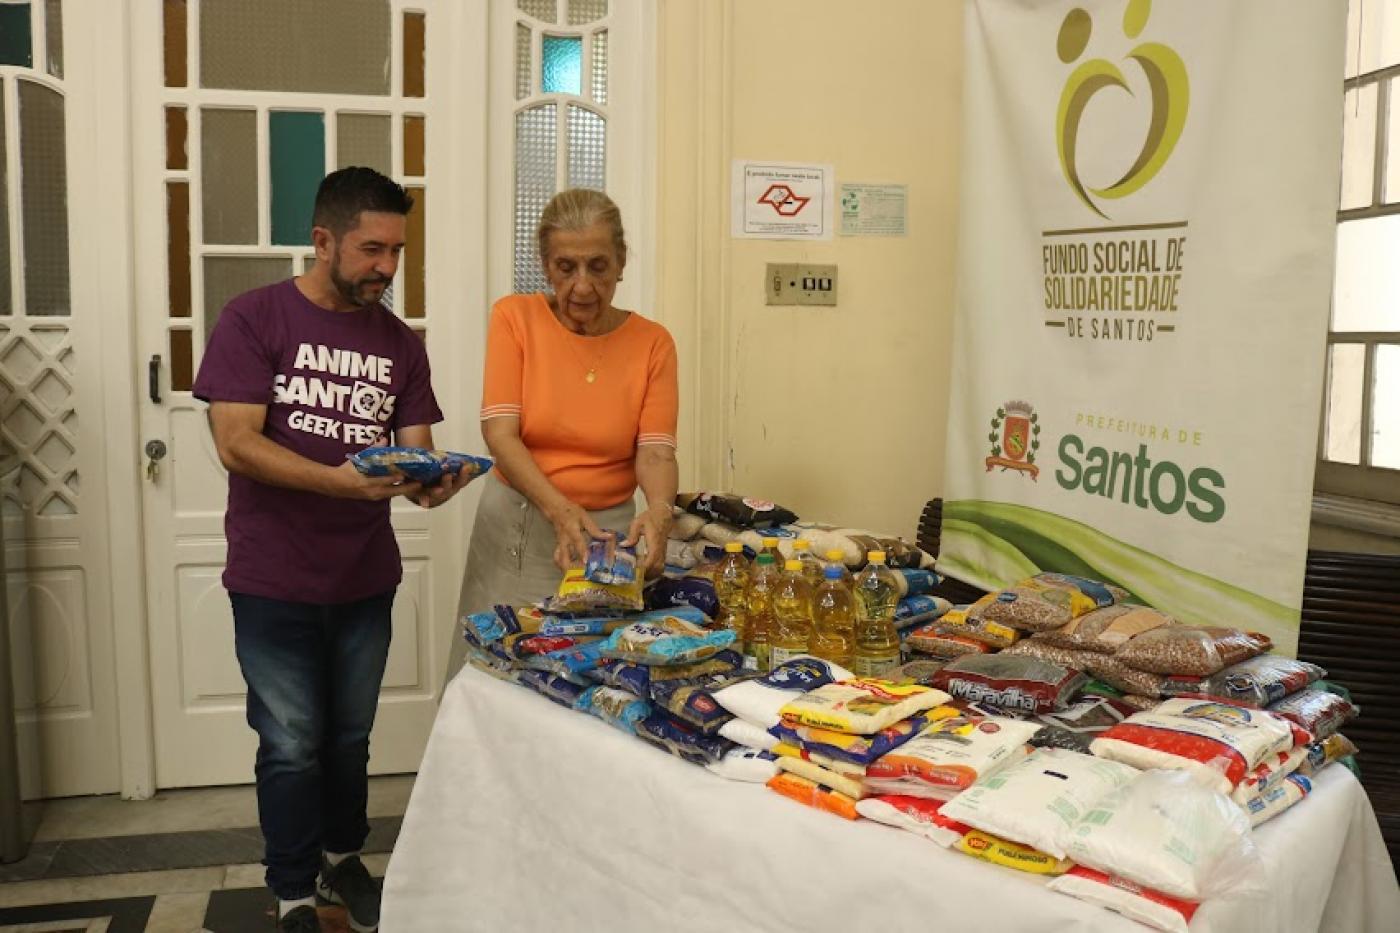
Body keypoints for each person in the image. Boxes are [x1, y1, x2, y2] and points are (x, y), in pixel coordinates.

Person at [193, 167, 463, 933]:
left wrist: (430, 483)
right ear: (322, 241)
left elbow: (415, 452)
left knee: (349, 739)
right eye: (372, 248)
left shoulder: (399, 344)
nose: (387, 266)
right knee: (289, 744)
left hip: (363, 578)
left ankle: (343, 858)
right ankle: (293, 891)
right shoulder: (253, 318)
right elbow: (237, 443)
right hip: (272, 578)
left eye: (397, 251)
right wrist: (338, 483)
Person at [447, 188, 679, 680]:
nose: (582, 286)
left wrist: (659, 513)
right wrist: (559, 510)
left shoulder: (652, 343)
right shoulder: (515, 318)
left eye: (598, 266)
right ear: (545, 265)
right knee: (497, 672)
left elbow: (656, 452)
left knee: (587, 679)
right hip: (522, 525)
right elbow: (501, 434)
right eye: (565, 267)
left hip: (608, 537)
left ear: (621, 262)